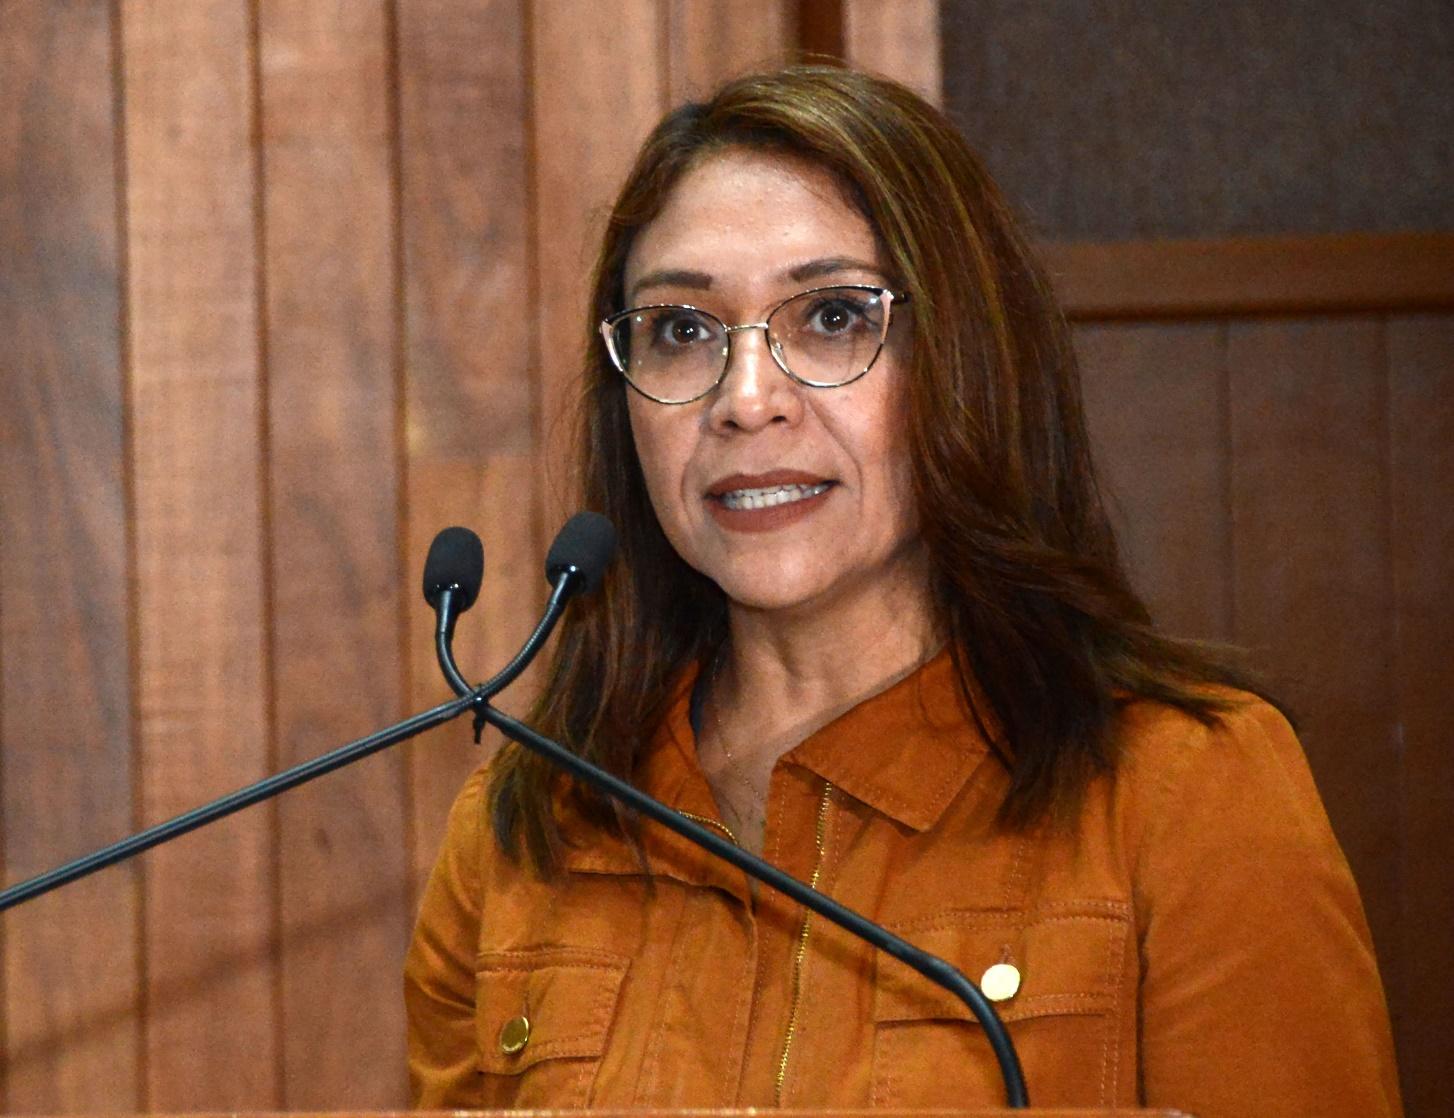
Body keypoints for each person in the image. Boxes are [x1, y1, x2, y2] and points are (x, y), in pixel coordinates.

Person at [404, 67, 1401, 1116]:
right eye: (682, 330)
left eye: (831, 316)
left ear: (966, 359)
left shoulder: (1183, 790)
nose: (746, 402)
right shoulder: (525, 826)